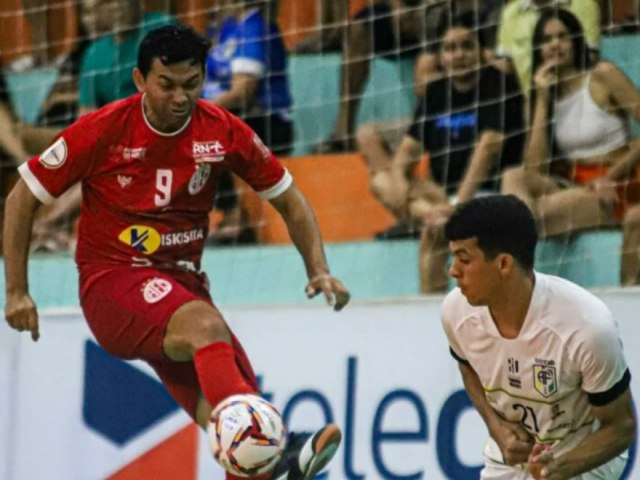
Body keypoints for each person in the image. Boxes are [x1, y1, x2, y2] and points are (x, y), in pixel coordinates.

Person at [3, 25, 350, 480]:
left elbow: (289, 199)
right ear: (139, 80)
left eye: (192, 84)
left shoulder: (223, 130)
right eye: (166, 84)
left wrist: (318, 269)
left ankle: (271, 462)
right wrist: (17, 291)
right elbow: (21, 198)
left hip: (181, 285)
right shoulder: (103, 128)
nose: (180, 97)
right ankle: (278, 453)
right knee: (209, 335)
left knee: (239, 417)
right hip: (112, 282)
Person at [442, 194, 636, 480]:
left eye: (464, 259)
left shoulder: (587, 328)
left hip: (582, 460)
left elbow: (620, 428)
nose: (452, 270)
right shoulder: (456, 311)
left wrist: (558, 469)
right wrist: (496, 426)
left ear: (504, 264)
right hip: (509, 462)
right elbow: (467, 366)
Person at [362, 12, 525, 292]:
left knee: (434, 231)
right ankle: (429, 213)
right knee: (381, 182)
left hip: (486, 193)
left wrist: (458, 205)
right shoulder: (437, 92)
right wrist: (402, 190)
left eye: (466, 46)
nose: (458, 55)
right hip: (440, 195)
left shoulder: (498, 84)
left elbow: (487, 149)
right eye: (450, 48)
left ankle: (431, 307)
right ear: (440, 56)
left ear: (480, 51)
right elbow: (406, 155)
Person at [500, 9, 640, 285]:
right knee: (512, 177)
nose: (555, 44)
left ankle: (513, 278)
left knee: (526, 219)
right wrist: (541, 98)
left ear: (576, 40)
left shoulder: (603, 75)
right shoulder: (543, 95)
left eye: (562, 36)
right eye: (547, 39)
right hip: (573, 182)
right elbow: (535, 168)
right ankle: (515, 262)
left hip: (616, 184)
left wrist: (608, 179)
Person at [202, 0, 294, 244]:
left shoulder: (256, 26)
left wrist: (197, 110)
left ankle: (236, 216)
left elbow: (243, 91)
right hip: (232, 114)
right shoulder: (227, 26)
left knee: (208, 132)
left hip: (269, 119)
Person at [495, 0, 601, 94]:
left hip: (578, 93)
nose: (554, 44)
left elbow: (589, 57)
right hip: (530, 99)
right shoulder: (510, 12)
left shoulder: (585, 4)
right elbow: (505, 66)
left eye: (563, 36)